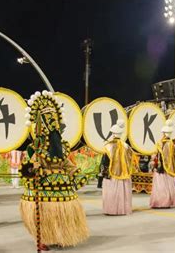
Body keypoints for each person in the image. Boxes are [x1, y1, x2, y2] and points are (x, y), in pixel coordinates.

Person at [19, 91, 89, 250]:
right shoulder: (35, 147)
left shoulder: (61, 146)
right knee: (44, 215)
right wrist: (33, 167)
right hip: (42, 187)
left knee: (61, 214)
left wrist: (76, 174)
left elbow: (65, 162)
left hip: (61, 186)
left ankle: (59, 236)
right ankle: (43, 237)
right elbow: (28, 167)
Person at [100, 119, 138, 215]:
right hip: (124, 174)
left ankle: (111, 209)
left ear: (113, 133)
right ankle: (123, 209)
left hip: (111, 174)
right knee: (123, 191)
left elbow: (104, 162)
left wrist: (103, 173)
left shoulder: (108, 146)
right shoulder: (126, 146)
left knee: (112, 192)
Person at [149, 120, 175, 208]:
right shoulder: (171, 143)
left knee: (161, 185)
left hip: (162, 168)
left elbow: (154, 154)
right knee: (168, 184)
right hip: (167, 168)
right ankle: (166, 201)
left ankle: (162, 202)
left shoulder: (164, 143)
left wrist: (154, 162)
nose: (167, 133)